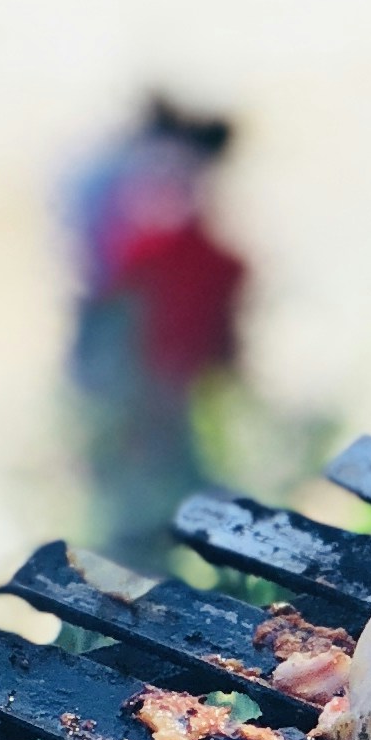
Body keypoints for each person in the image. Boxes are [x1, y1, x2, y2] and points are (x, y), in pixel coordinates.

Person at [65, 96, 247, 570]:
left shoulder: (191, 250)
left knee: (165, 479)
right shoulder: (160, 244)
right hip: (146, 373)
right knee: (145, 485)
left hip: (164, 374)